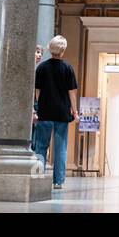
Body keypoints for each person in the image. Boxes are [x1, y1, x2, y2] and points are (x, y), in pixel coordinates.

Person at [32, 35, 78, 191]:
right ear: (63, 50)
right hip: (62, 113)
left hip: (45, 112)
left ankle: (38, 176)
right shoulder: (68, 68)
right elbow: (72, 93)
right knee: (60, 147)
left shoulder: (41, 68)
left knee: (40, 146)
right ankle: (58, 181)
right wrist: (75, 111)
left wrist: (41, 105)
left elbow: (37, 91)